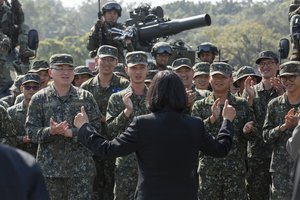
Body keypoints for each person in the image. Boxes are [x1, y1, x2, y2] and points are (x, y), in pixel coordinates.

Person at [73, 70, 236, 200]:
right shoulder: (194, 124)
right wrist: (227, 121)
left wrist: (84, 127)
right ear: (180, 94)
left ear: (153, 93)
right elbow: (221, 149)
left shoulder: (142, 124)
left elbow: (107, 150)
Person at [25, 53, 102, 200]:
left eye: (69, 68)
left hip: (81, 171)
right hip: (49, 172)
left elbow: (97, 129)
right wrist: (51, 131)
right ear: (50, 72)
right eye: (60, 68)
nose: (65, 73)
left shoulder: (85, 97)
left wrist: (72, 133)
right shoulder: (39, 99)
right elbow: (31, 131)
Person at [191, 62, 256, 200]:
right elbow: (193, 134)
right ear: (209, 79)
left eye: (223, 77)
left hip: (235, 171)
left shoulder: (241, 104)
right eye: (215, 77)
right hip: (209, 171)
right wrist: (212, 118)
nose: (219, 81)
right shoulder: (199, 105)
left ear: (231, 79)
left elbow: (254, 134)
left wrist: (248, 131)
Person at [81, 45, 129, 200]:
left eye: (111, 59)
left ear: (117, 62)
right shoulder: (86, 87)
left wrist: (105, 118)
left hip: (116, 144)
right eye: (103, 59)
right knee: (93, 187)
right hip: (92, 145)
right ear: (96, 60)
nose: (107, 63)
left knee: (113, 187)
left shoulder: (123, 85)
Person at [106, 51, 150, 200]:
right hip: (125, 163)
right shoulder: (117, 98)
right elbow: (110, 130)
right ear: (126, 70)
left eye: (141, 67)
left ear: (147, 69)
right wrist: (127, 111)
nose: (138, 72)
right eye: (133, 68)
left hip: (151, 164)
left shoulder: (155, 98)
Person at [243, 50, 284, 200]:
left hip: (280, 153)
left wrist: (281, 92)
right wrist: (249, 98)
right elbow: (244, 119)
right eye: (262, 64)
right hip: (257, 154)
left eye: (269, 63)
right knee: (256, 195)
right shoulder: (251, 91)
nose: (265, 67)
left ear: (277, 65)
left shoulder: (286, 90)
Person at [263, 60, 300, 200]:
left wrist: (298, 125)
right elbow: (265, 136)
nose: (288, 81)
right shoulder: (274, 105)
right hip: (280, 169)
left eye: (292, 77)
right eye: (284, 77)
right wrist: (283, 127)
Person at [7, 73, 41, 157]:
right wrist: (22, 139)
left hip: (41, 160)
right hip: (18, 159)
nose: (31, 90)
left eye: (35, 87)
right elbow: (4, 138)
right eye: (27, 87)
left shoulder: (46, 110)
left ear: (40, 89)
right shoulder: (11, 112)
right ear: (22, 88)